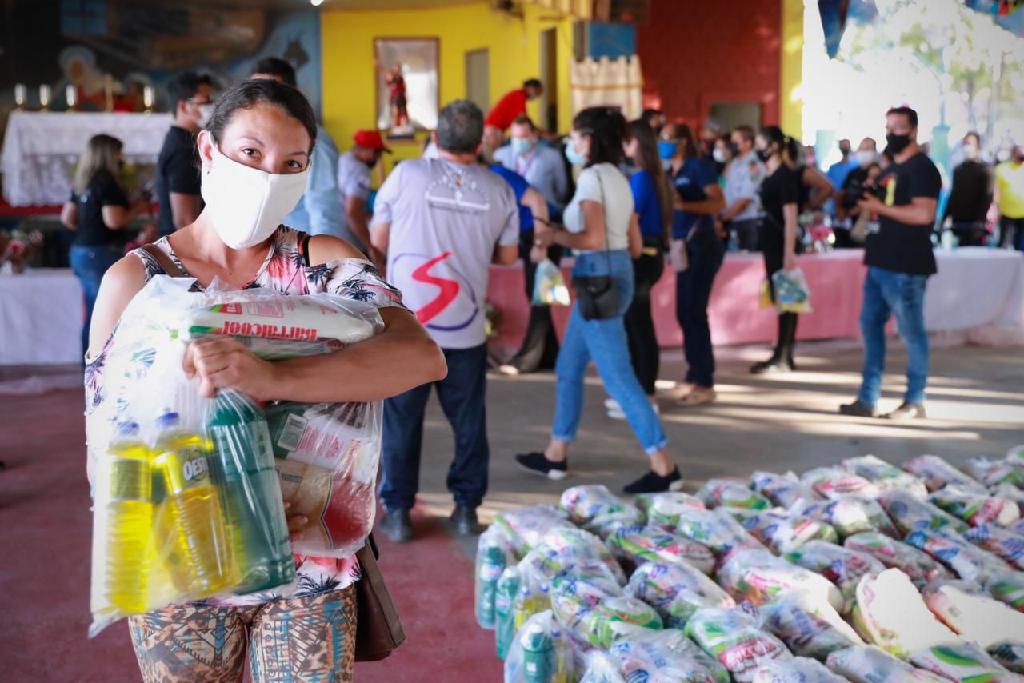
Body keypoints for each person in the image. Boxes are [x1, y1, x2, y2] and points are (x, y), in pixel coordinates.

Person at [86, 79, 445, 682]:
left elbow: (418, 356)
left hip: (310, 564)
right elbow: (105, 456)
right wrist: (232, 508)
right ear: (207, 151)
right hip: (184, 565)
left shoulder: (322, 264)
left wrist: (268, 374)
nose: (267, 175)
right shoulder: (135, 283)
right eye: (250, 153)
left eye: (291, 164)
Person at [371, 99, 520, 542]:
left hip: (405, 330)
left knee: (401, 422)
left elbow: (379, 238)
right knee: (469, 423)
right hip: (466, 328)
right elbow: (508, 255)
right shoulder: (498, 189)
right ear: (481, 143)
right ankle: (466, 509)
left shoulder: (407, 175)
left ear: (435, 138)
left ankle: (397, 512)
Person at [515, 106, 683, 494]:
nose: (571, 144)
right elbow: (636, 245)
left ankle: (664, 466)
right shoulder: (621, 178)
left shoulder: (592, 179)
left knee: (619, 377)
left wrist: (554, 236)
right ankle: (556, 452)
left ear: (589, 140)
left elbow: (590, 239)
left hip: (597, 278)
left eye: (575, 136)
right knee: (569, 366)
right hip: (614, 274)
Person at [839, 106, 942, 420]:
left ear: (913, 130)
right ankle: (867, 399)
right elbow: (877, 206)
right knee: (870, 329)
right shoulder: (887, 170)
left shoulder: (922, 169)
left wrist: (879, 208)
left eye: (898, 127)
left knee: (912, 333)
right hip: (879, 262)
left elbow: (924, 215)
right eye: (888, 127)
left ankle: (915, 400)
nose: (891, 133)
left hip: (906, 265)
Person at [250, 57, 357, 253]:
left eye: (272, 91)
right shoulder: (255, 141)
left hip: (303, 254)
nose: (262, 100)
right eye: (255, 90)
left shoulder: (315, 141)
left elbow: (324, 210)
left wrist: (323, 266)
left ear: (294, 93)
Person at [60, 133, 148, 358]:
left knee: (91, 311)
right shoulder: (107, 181)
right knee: (103, 314)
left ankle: (87, 364)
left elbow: (67, 219)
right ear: (109, 154)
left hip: (79, 251)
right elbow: (114, 220)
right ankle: (99, 367)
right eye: (118, 152)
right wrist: (137, 209)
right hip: (100, 251)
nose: (121, 157)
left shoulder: (82, 180)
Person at [611, 119, 672, 416]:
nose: (625, 146)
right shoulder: (650, 176)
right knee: (637, 325)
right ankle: (641, 392)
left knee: (638, 327)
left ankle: (645, 395)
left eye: (628, 140)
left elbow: (629, 217)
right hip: (647, 254)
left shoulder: (643, 178)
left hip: (642, 255)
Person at [662, 123, 726, 405]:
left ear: (682, 142)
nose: (662, 144)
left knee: (695, 311)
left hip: (702, 244)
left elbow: (717, 203)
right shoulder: (668, 172)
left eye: (667, 139)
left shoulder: (698, 168)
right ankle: (692, 373)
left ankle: (705, 381)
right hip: (681, 247)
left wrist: (684, 207)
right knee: (683, 312)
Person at [488, 155, 559, 376]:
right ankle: (551, 355)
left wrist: (541, 242)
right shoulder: (488, 178)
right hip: (530, 236)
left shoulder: (498, 175)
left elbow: (537, 201)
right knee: (538, 296)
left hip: (544, 234)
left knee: (538, 297)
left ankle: (527, 359)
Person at [750, 126, 803, 374]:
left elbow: (791, 216)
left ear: (773, 146)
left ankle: (784, 354)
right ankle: (782, 351)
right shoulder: (770, 175)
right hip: (772, 244)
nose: (757, 149)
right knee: (779, 296)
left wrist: (789, 252)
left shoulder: (785, 176)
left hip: (781, 246)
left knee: (787, 298)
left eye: (760, 143)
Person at [155, 71, 213, 235]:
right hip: (183, 248)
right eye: (205, 101)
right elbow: (184, 220)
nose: (211, 106)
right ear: (183, 106)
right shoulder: (183, 148)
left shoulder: (185, 140)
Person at [494, 115, 568, 216]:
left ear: (534, 136)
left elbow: (562, 190)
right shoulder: (500, 155)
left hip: (546, 212)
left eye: (523, 137)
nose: (518, 141)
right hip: (512, 215)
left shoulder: (552, 156)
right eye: (515, 137)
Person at [339, 129, 392, 262]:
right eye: (377, 153)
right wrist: (371, 247)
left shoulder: (342, 159)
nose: (378, 159)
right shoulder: (360, 171)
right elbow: (352, 212)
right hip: (346, 240)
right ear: (368, 150)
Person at [719, 125, 767, 252]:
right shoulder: (733, 164)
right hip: (731, 219)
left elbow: (745, 199)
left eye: (736, 140)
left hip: (747, 222)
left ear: (748, 143)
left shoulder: (753, 166)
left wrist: (722, 219)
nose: (732, 144)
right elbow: (723, 187)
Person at [945, 132, 992, 247]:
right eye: (965, 143)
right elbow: (953, 194)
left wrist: (980, 221)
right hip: (959, 223)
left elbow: (987, 195)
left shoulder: (985, 169)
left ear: (978, 146)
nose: (967, 147)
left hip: (976, 225)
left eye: (970, 143)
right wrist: (946, 216)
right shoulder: (958, 170)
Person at [834, 138, 879, 247]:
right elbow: (841, 193)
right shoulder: (853, 172)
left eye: (868, 149)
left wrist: (859, 209)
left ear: (875, 151)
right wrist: (840, 210)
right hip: (846, 222)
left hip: (866, 225)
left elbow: (876, 198)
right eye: (862, 149)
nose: (865, 152)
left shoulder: (879, 173)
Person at [483, 78, 543, 152]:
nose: (537, 96)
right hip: (493, 131)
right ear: (530, 88)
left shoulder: (517, 95)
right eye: (537, 92)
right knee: (498, 158)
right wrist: (543, 134)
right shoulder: (519, 96)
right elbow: (524, 122)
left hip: (493, 129)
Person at [994, 143, 1024, 251]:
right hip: (1006, 214)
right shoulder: (1002, 169)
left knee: (1021, 247)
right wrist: (996, 210)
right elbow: (996, 191)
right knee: (1003, 245)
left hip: (1023, 215)